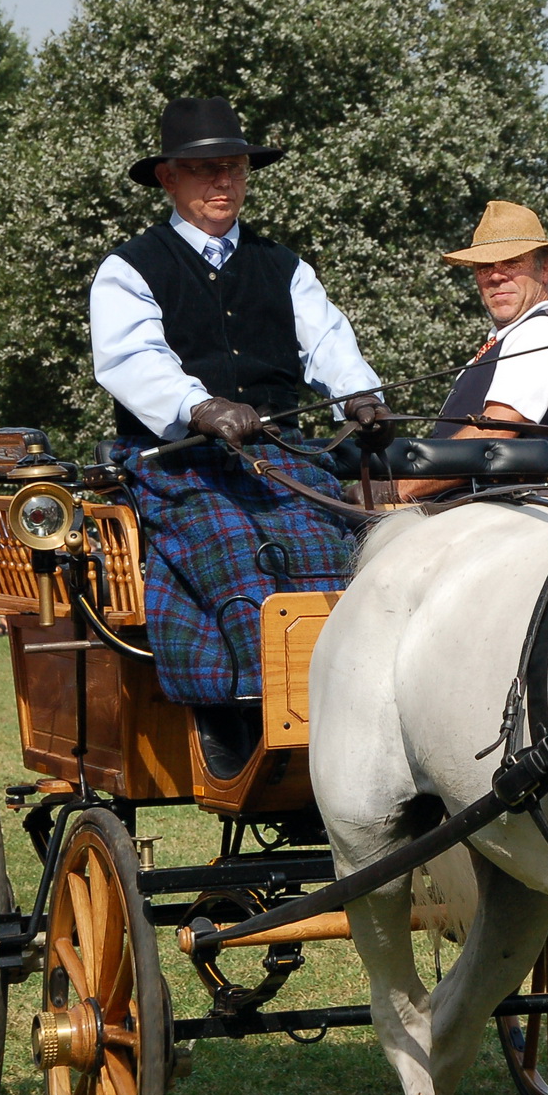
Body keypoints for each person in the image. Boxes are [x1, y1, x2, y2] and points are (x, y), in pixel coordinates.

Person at [90, 96, 393, 774]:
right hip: (179, 462)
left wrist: (363, 396)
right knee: (241, 550)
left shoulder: (283, 266)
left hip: (282, 457)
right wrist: (199, 407)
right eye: (205, 170)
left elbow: (329, 346)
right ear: (168, 178)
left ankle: (358, 704)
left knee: (354, 549)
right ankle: (233, 703)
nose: (223, 182)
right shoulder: (130, 269)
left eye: (233, 168)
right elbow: (132, 361)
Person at [394, 201, 548, 501]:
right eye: (485, 265)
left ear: (546, 268)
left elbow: (491, 437)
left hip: (520, 521)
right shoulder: (502, 341)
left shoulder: (543, 334)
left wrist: (394, 490)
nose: (497, 276)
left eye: (512, 262)